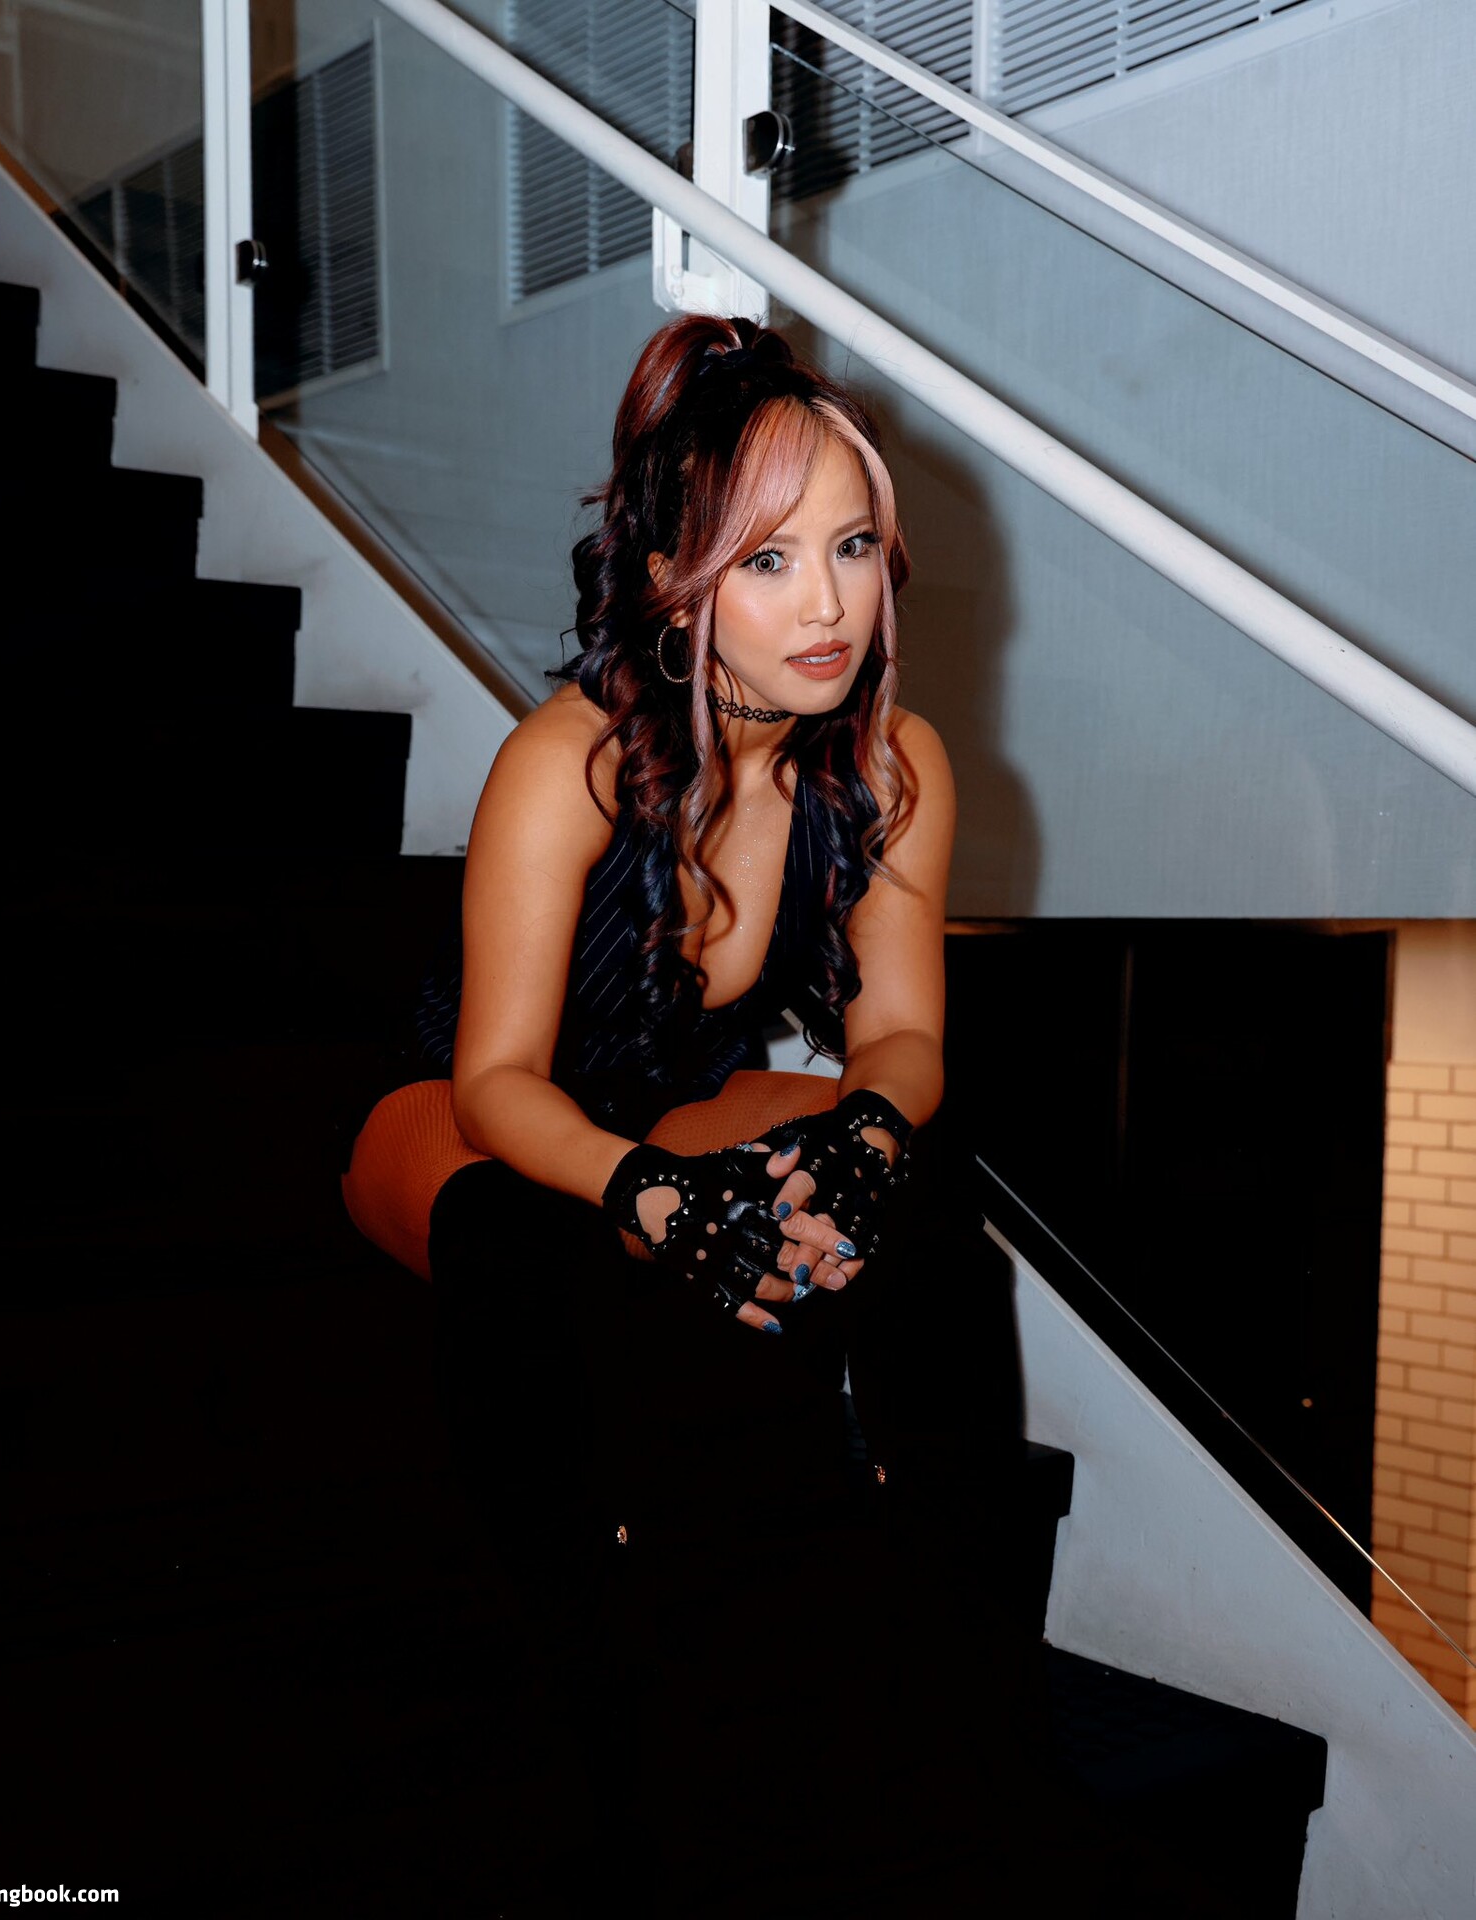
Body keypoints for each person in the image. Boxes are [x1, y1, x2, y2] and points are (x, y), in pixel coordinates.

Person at [343, 315, 1035, 1916]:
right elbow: (498, 1081)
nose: (830, 605)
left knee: (920, 1203)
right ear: (672, 578)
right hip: (463, 1110)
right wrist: (648, 1196)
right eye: (769, 562)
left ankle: (949, 1697)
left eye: (851, 548)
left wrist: (867, 1135)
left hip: (673, 1093)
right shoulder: (569, 762)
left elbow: (903, 1036)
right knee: (520, 1243)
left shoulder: (894, 768)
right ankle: (586, 1740)